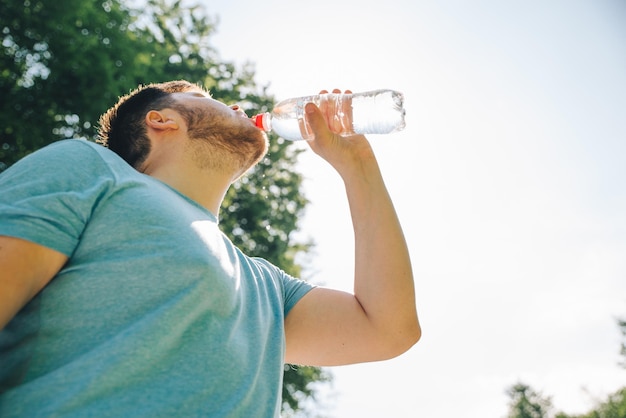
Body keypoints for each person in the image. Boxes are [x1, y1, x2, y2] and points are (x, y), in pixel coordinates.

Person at [0, 80, 421, 417]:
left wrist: (357, 165)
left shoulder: (267, 286)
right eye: (207, 97)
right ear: (162, 119)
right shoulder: (91, 168)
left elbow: (387, 329)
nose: (237, 106)